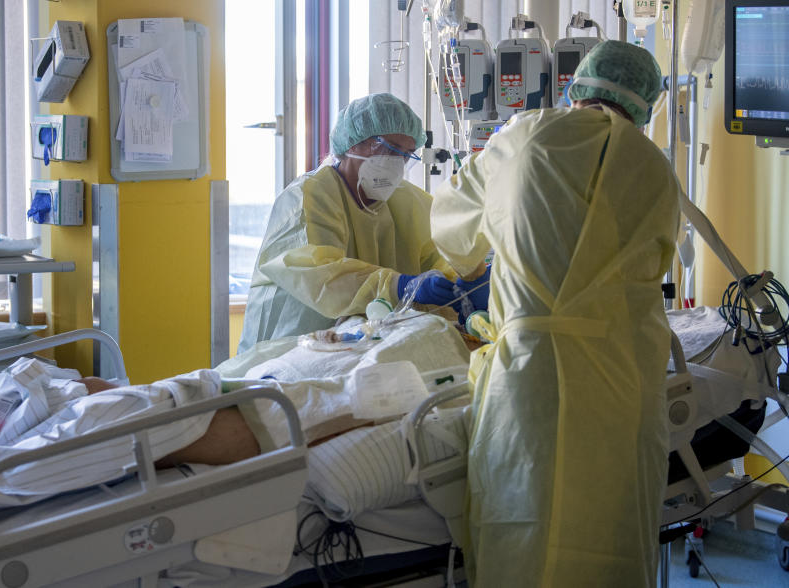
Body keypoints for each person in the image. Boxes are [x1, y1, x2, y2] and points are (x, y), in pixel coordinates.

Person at [430, 41, 680, 586]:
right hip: (622, 378)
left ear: (579, 84)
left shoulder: (524, 137)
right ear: (645, 105)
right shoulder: (656, 169)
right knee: (612, 534)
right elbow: (653, 264)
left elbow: (452, 233)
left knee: (525, 532)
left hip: (531, 377)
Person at [238, 93, 489, 353]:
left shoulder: (409, 202)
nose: (396, 162)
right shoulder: (307, 197)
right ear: (351, 143)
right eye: (389, 148)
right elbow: (320, 276)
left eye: (406, 154)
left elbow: (440, 256)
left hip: (362, 349)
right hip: (289, 345)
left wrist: (467, 282)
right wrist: (398, 286)